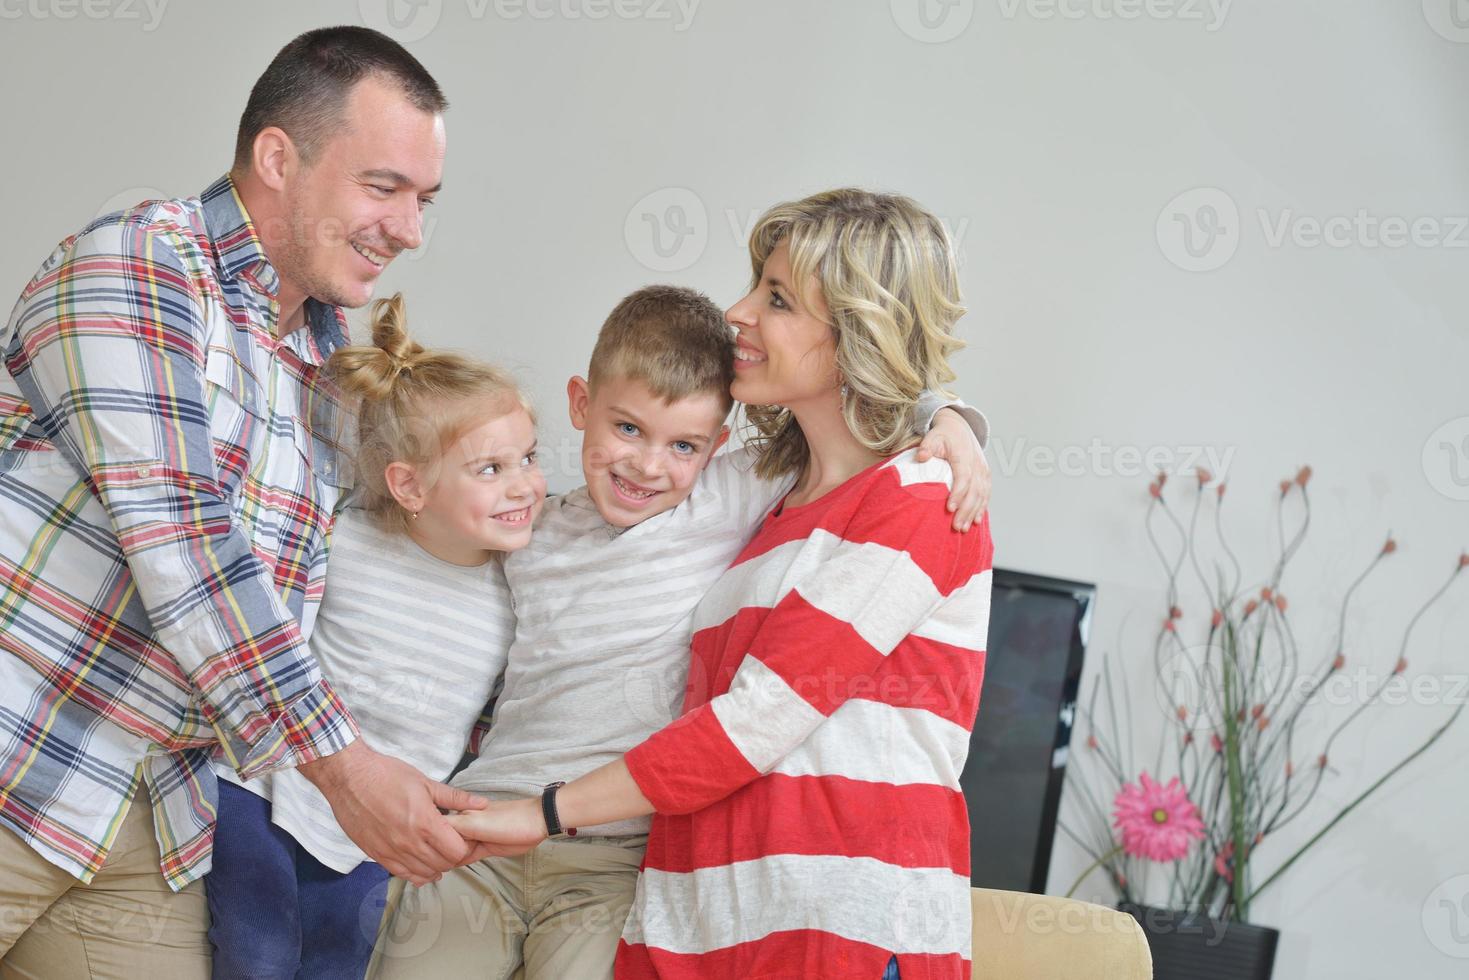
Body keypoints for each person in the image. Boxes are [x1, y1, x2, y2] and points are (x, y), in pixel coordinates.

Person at [0, 27, 481, 977]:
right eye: (382, 188)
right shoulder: (137, 262)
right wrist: (344, 770)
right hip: (20, 756)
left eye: (423, 200)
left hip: (152, 816)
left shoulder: (328, 361)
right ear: (276, 157)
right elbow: (182, 535)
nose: (410, 230)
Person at [447, 191, 995, 980]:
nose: (737, 313)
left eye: (774, 298)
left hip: (834, 929)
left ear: (854, 330)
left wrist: (541, 811)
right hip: (703, 918)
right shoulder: (767, 505)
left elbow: (757, 721)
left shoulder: (921, 495)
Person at [205, 293, 544, 979]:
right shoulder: (343, 541)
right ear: (410, 487)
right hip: (264, 787)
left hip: (379, 828)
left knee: (337, 963)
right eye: (491, 469)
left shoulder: (522, 587)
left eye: (528, 458)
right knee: (260, 952)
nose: (525, 486)